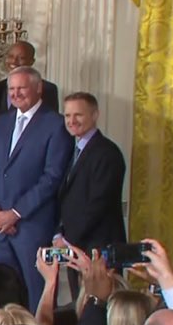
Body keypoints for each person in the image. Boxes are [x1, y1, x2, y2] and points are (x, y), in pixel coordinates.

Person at [0, 66, 72, 311]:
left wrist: (15, 213)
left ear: (38, 88)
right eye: (12, 89)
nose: (16, 94)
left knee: (36, 296)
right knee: (2, 297)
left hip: (31, 227)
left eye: (22, 88)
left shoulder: (56, 124)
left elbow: (52, 177)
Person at [54, 92, 126, 254]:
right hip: (76, 248)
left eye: (78, 115)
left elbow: (98, 204)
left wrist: (67, 239)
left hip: (100, 248)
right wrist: (59, 233)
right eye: (67, 115)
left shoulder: (107, 153)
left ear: (95, 115)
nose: (72, 121)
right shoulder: (72, 151)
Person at [0, 41, 61, 113]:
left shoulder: (48, 89)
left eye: (21, 58)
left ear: (31, 61)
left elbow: (51, 119)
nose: (14, 61)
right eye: (11, 56)